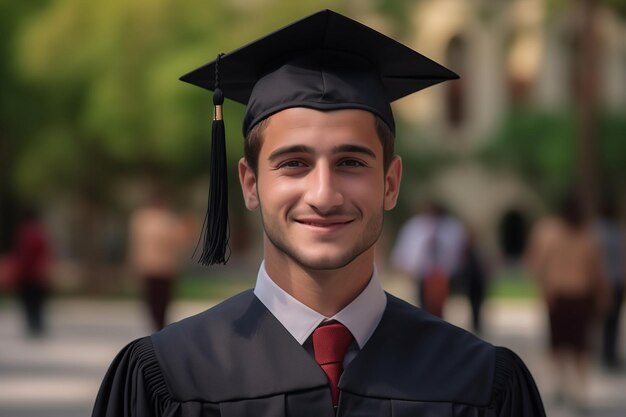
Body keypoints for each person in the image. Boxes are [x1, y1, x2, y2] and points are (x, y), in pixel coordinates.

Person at [92, 10, 545, 416]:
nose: (324, 194)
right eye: (294, 163)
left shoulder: (480, 384)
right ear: (250, 184)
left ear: (390, 183)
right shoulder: (168, 378)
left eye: (351, 162)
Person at [525, 191, 609, 410]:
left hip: (573, 295)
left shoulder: (583, 236)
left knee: (574, 347)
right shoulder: (561, 234)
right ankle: (568, 388)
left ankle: (574, 390)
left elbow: (595, 271)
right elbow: (538, 264)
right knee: (567, 346)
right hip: (567, 295)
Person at [391, 201, 465, 317]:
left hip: (443, 272)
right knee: (424, 302)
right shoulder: (415, 226)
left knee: (440, 302)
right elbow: (407, 247)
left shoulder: (451, 227)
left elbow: (458, 250)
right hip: (422, 272)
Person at [128, 194, 187, 331]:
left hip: (159, 267)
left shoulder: (145, 219)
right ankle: (158, 327)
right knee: (157, 301)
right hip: (157, 267)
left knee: (158, 301)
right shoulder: (162, 219)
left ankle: (158, 327)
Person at [595, 193, 625, 370]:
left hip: (599, 283)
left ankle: (602, 353)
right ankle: (609, 354)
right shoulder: (619, 232)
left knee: (599, 320)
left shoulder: (594, 231)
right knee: (613, 321)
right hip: (615, 282)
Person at [12, 208, 52, 337]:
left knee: (29, 301)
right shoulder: (40, 233)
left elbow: (21, 255)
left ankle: (33, 324)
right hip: (38, 274)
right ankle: (37, 324)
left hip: (28, 274)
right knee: (38, 301)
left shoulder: (25, 233)